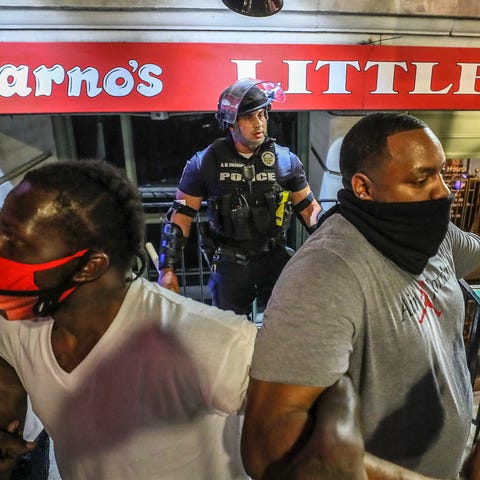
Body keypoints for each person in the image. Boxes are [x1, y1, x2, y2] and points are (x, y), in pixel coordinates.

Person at [241, 112, 480, 479]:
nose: (442, 191)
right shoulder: (325, 273)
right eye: (421, 179)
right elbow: (267, 446)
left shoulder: (435, 235)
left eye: (440, 172)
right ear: (364, 188)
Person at [0, 159, 259, 480]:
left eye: (13, 241)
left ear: (89, 266)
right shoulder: (16, 324)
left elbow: (305, 424)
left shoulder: (211, 341)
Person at [158, 78, 321, 316]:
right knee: (228, 332)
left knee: (288, 324)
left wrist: (335, 246)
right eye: (249, 117)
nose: (259, 124)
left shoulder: (286, 160)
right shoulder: (204, 162)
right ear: (231, 123)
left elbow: (309, 210)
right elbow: (181, 215)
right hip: (230, 264)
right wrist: (167, 269)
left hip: (274, 258)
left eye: (262, 115)